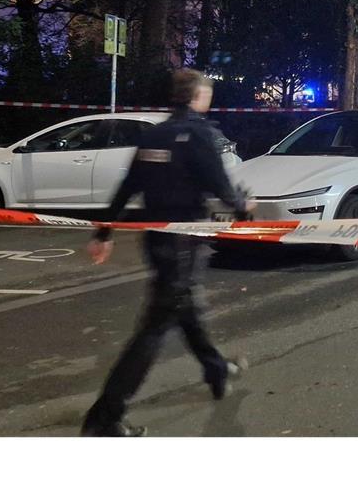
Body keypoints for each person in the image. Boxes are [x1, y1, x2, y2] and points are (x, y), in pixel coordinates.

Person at [80, 69, 254, 437]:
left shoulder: (154, 135)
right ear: (198, 96)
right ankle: (105, 417)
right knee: (155, 327)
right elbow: (219, 184)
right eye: (207, 93)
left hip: (158, 241)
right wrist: (243, 208)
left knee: (185, 309)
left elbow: (128, 185)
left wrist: (104, 231)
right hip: (184, 243)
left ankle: (216, 369)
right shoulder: (199, 134)